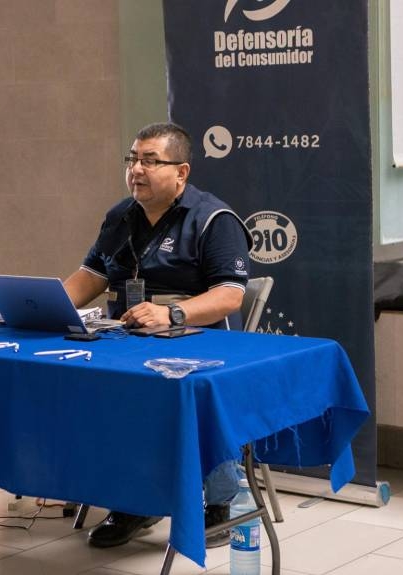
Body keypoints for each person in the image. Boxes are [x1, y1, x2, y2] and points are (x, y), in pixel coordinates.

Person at [63, 122, 251, 550]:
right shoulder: (119, 217)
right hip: (125, 337)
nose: (137, 170)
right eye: (132, 159)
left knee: (193, 394)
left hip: (198, 340)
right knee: (94, 387)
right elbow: (89, 278)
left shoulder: (213, 219)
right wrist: (42, 304)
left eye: (150, 161)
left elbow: (229, 296)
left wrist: (172, 312)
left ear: (181, 172)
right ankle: (133, 502)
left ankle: (218, 504)